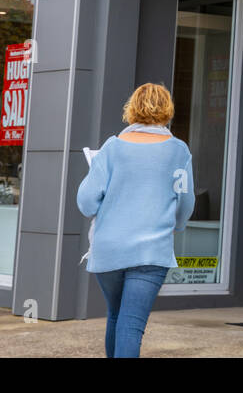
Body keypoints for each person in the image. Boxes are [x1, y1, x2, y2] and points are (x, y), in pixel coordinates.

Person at [76, 83, 195, 358]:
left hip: (109, 249)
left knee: (116, 317)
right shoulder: (178, 150)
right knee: (131, 325)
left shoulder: (112, 147)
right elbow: (185, 201)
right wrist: (176, 226)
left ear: (132, 109)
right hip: (151, 252)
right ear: (167, 110)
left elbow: (86, 202)